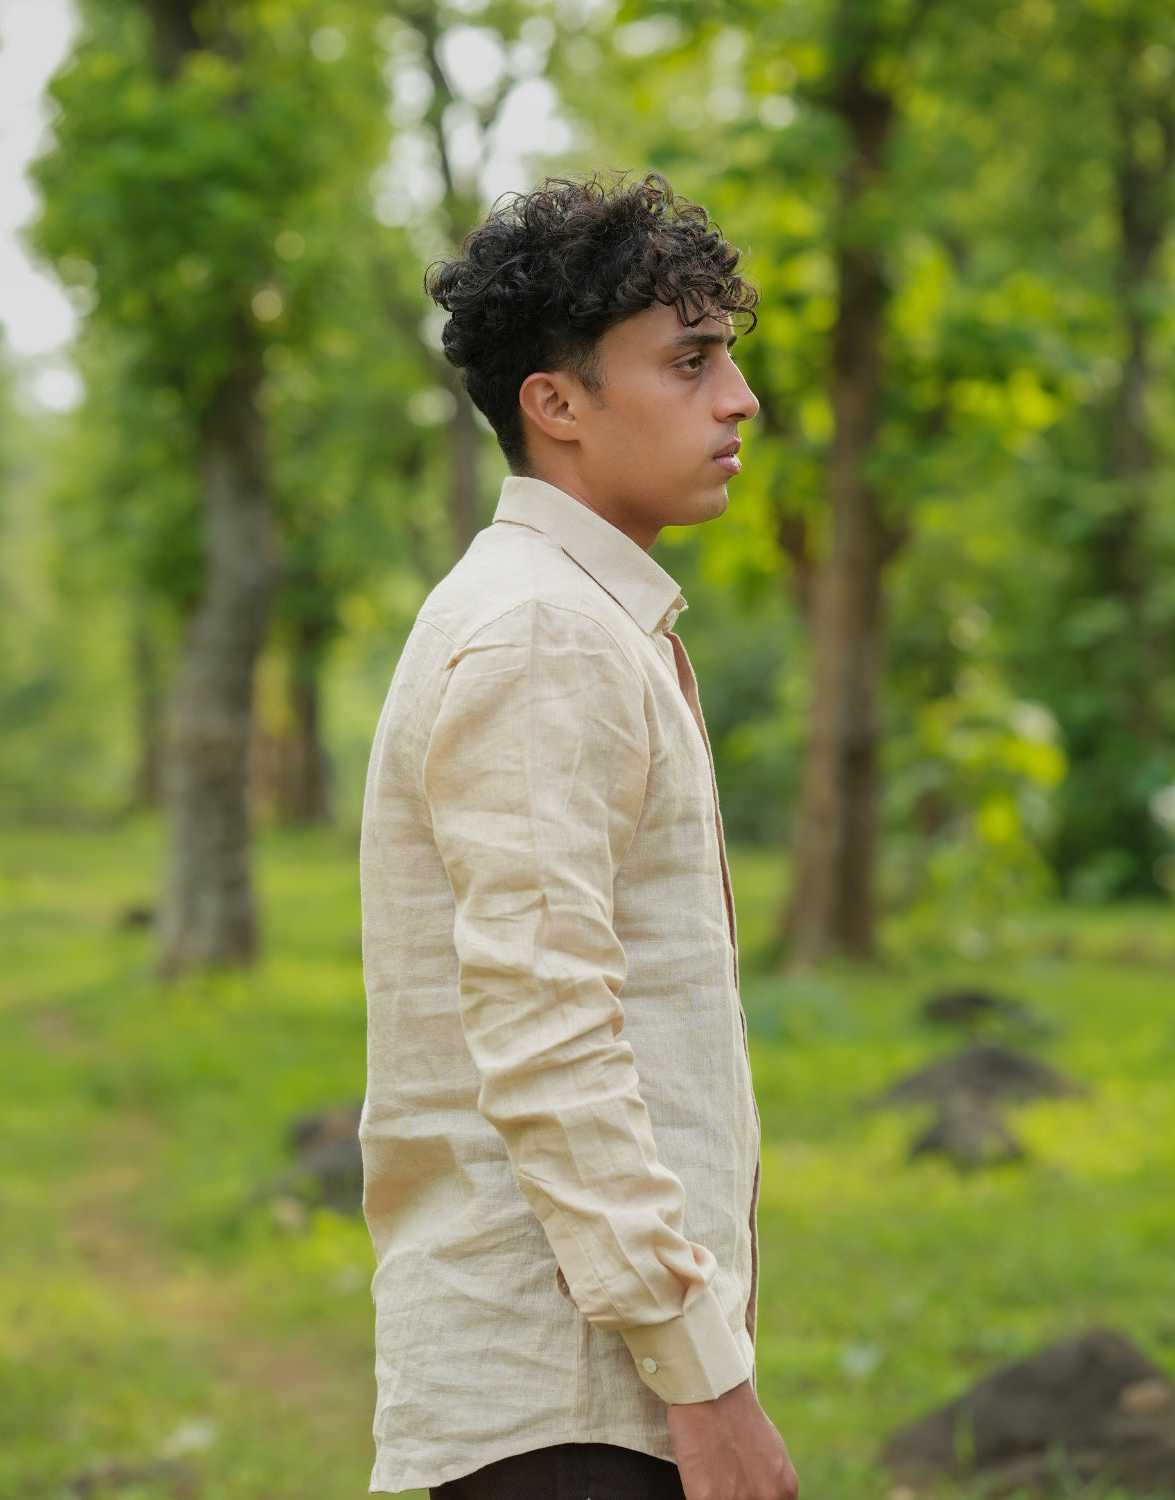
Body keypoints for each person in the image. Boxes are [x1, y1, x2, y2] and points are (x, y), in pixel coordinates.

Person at [358, 173, 798, 1500]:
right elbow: (548, 1028)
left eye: (727, 358)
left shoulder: (576, 614)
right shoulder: (543, 631)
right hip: (566, 1404)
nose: (740, 400)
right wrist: (705, 1383)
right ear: (555, 404)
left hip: (588, 1387)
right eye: (690, 361)